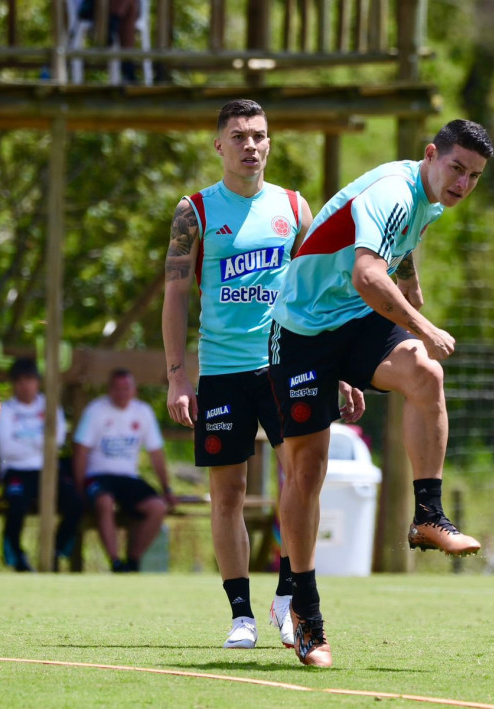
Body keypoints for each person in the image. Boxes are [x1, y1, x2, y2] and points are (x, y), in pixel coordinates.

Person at [268, 118, 493, 667]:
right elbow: (369, 275)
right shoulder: (393, 191)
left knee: (425, 375)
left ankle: (428, 516)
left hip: (354, 320)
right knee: (307, 471)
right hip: (301, 330)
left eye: (474, 176)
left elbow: (398, 250)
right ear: (430, 154)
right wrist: (422, 324)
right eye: (457, 168)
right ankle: (304, 612)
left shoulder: (428, 199)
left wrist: (411, 292)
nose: (463, 183)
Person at [161, 98, 364, 651]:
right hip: (221, 371)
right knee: (227, 492)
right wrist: (177, 375)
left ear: (269, 143)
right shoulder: (194, 211)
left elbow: (322, 288)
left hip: (286, 364)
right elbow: (176, 295)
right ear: (219, 145)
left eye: (259, 135)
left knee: (300, 481)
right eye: (239, 136)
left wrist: (341, 367)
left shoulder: (294, 207)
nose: (250, 145)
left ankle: (287, 596)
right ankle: (241, 616)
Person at [72, 368, 175, 572]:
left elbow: (156, 454)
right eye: (116, 388)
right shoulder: (96, 410)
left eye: (126, 388)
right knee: (105, 501)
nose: (121, 393)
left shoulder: (143, 412)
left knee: (157, 507)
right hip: (98, 476)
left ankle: (133, 561)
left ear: (134, 390)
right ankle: (115, 562)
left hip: (129, 477)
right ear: (109, 390)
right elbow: (80, 451)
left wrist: (167, 488)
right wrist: (79, 487)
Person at [0, 357, 81, 572]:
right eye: (20, 381)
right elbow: (5, 448)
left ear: (38, 382)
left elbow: (57, 441)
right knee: (16, 507)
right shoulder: (6, 409)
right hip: (17, 470)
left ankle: (57, 551)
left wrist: (24, 443)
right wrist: (40, 444)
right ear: (14, 384)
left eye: (29, 379)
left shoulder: (50, 406)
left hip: (49, 470)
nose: (25, 385)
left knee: (75, 503)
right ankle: (16, 556)